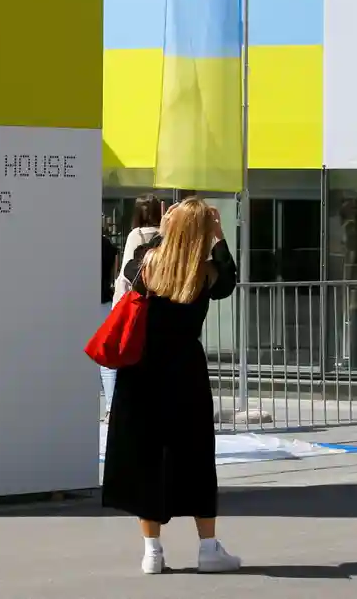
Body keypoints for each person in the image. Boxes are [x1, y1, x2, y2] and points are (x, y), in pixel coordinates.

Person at [101, 197, 241, 575]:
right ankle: (208, 548)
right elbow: (230, 277)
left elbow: (134, 264)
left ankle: (152, 551)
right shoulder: (207, 272)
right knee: (194, 454)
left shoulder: (147, 266)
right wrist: (216, 234)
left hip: (142, 370)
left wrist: (167, 229)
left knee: (146, 455)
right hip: (185, 370)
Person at [102, 196, 165, 422]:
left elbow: (125, 278)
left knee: (131, 359)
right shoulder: (166, 234)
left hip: (138, 306)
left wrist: (117, 310)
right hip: (161, 304)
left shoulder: (136, 236)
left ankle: (124, 410)